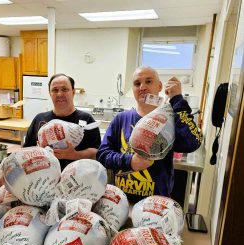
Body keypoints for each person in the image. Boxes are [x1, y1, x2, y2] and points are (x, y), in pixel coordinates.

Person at [96, 66, 202, 203]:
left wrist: (177, 100)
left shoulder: (169, 121)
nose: (142, 87)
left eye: (148, 81)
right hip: (120, 203)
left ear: (159, 86)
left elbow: (192, 143)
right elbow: (102, 154)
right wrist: (130, 162)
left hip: (156, 204)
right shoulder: (121, 119)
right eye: (137, 83)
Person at [24, 73, 101, 170]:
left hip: (77, 181)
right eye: (55, 90)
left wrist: (75, 155)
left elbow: (97, 153)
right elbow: (27, 150)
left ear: (73, 92)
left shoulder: (86, 119)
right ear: (50, 93)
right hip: (45, 181)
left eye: (65, 89)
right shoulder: (39, 119)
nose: (59, 94)